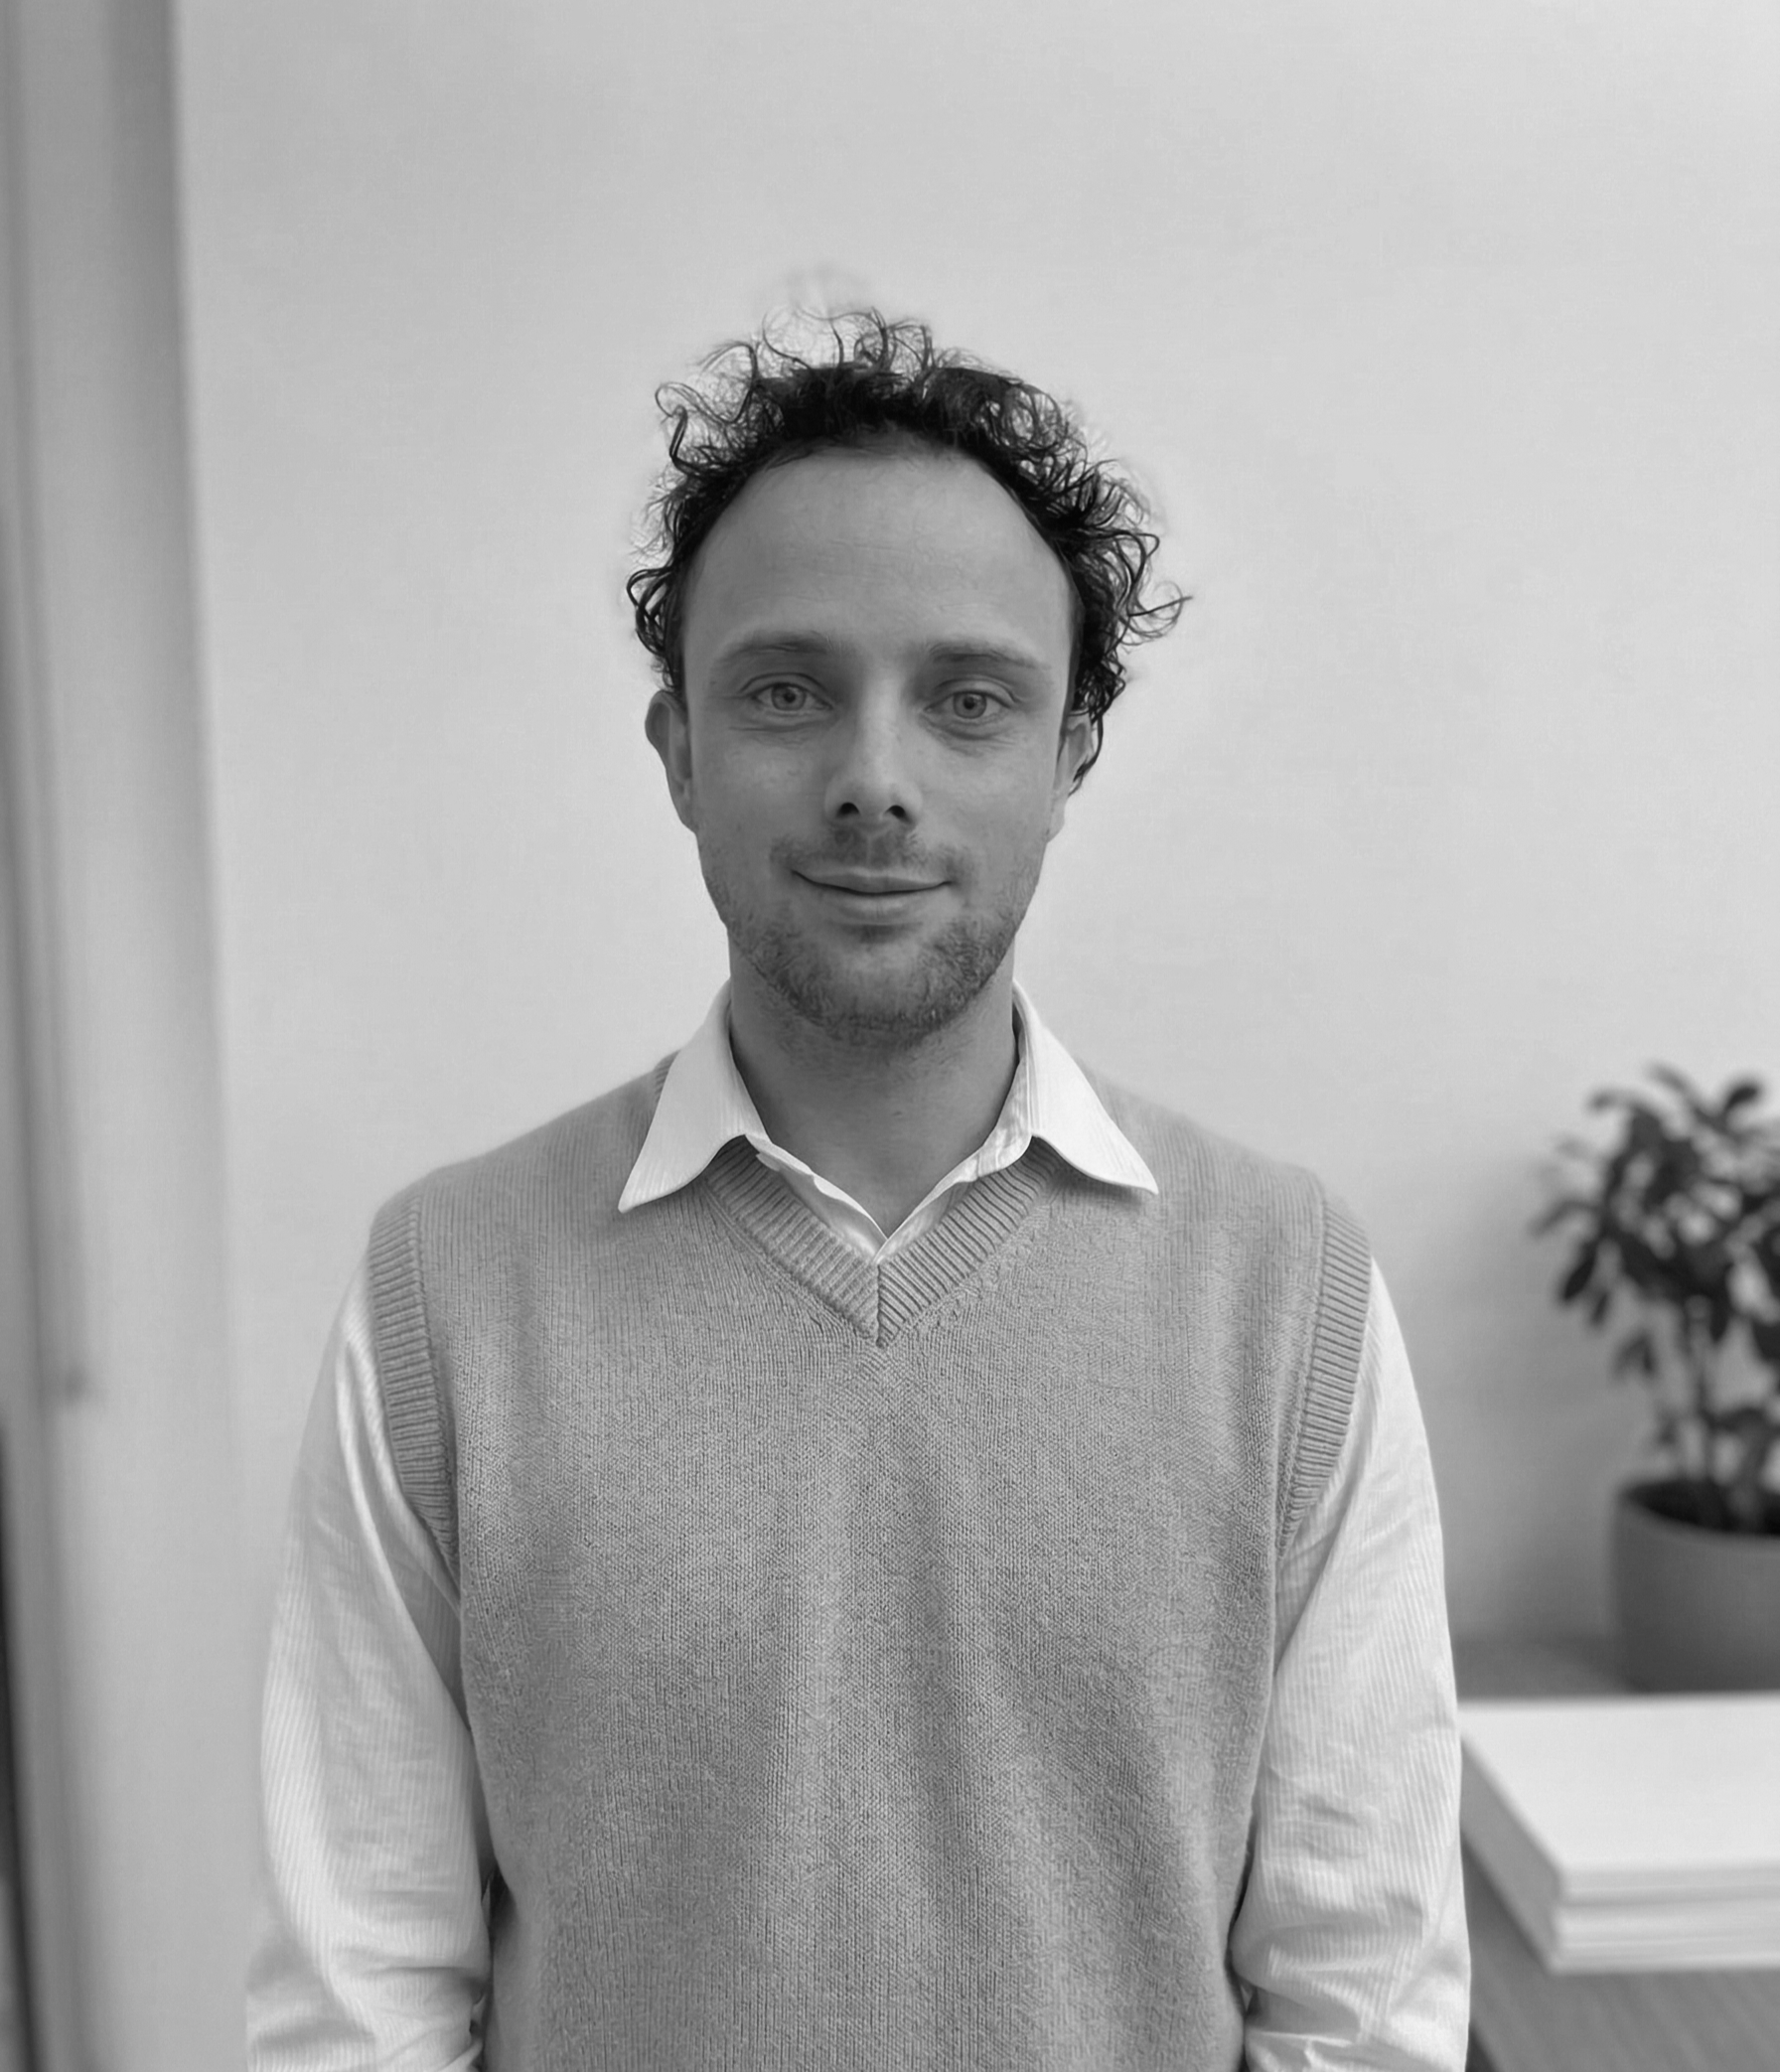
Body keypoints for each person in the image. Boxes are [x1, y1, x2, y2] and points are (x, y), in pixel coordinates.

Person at [247, 310, 1471, 2070]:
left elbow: (1366, 1993)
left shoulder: (1288, 1292)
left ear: (1071, 755)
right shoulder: (446, 1289)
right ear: (679, 750)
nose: (873, 780)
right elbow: (356, 1994)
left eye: (969, 701)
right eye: (786, 690)